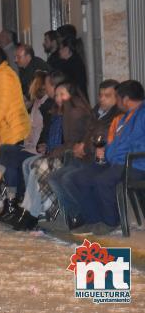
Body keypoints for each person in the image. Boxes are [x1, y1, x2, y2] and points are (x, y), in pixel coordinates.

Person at [54, 80, 145, 234]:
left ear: (126, 99)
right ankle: (93, 219)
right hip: (116, 162)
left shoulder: (142, 115)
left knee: (102, 180)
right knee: (79, 178)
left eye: (117, 97)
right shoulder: (125, 117)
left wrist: (116, 154)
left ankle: (111, 222)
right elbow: (115, 142)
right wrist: (106, 151)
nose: (117, 102)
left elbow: (133, 144)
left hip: (136, 164)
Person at [11, 81, 93, 230]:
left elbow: (73, 142)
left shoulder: (76, 112)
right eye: (56, 95)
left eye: (62, 94)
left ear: (71, 95)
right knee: (30, 163)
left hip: (74, 158)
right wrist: (49, 148)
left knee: (39, 165)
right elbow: (63, 140)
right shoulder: (63, 110)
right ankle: (30, 209)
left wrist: (54, 152)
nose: (58, 98)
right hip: (63, 154)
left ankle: (33, 212)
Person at [48, 79, 121, 229]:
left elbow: (103, 136)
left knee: (69, 178)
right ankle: (78, 214)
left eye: (107, 95)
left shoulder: (116, 114)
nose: (102, 99)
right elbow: (84, 133)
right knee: (54, 177)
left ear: (117, 97)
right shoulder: (96, 111)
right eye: (100, 95)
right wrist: (79, 146)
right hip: (86, 156)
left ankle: (92, 218)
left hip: (102, 159)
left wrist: (83, 146)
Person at [0, 46, 31, 220]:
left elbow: (2, 102)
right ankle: (9, 204)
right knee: (7, 165)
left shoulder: (5, 75)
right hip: (5, 129)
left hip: (14, 127)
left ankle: (11, 204)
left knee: (9, 166)